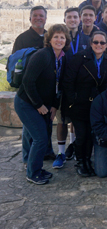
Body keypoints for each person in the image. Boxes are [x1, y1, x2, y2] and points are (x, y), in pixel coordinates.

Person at [14, 24, 70, 185]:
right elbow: (27, 82)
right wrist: (39, 105)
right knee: (40, 138)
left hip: (43, 103)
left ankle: (34, 167)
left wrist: (53, 106)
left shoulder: (61, 58)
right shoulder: (42, 55)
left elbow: (57, 85)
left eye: (62, 37)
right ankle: (32, 173)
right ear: (50, 39)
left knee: (38, 136)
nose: (59, 40)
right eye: (56, 37)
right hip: (26, 103)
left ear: (66, 40)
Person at [63, 31, 107, 177]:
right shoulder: (79, 58)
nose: (99, 45)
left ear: (106, 45)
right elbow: (68, 80)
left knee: (91, 135)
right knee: (81, 135)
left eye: (102, 43)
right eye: (96, 42)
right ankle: (80, 161)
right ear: (91, 44)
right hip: (79, 103)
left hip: (95, 104)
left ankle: (87, 160)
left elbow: (104, 84)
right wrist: (73, 100)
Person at [53, 7, 89, 168]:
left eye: (75, 17)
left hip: (79, 88)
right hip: (61, 87)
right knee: (62, 121)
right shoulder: (60, 39)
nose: (73, 20)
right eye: (69, 17)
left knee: (76, 119)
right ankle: (61, 152)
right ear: (65, 20)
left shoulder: (86, 39)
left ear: (79, 19)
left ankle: (73, 147)